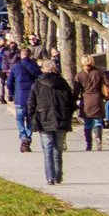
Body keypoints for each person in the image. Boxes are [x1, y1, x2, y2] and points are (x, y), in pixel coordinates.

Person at [29, 56, 78, 185]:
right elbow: (72, 103)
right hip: (61, 118)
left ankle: (50, 177)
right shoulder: (63, 84)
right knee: (58, 149)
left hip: (43, 118)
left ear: (43, 69)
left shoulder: (37, 84)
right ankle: (58, 175)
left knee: (47, 149)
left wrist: (32, 118)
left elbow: (31, 104)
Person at [8, 46, 42, 153]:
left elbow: (9, 83)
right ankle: (27, 136)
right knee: (30, 119)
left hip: (20, 96)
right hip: (32, 97)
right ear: (30, 55)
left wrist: (12, 94)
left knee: (19, 118)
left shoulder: (15, 67)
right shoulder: (34, 66)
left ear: (21, 55)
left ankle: (23, 136)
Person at [74, 54, 109, 151]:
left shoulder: (79, 75)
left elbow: (76, 90)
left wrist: (74, 100)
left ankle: (88, 144)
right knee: (98, 121)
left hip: (86, 99)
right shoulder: (99, 72)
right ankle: (98, 138)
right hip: (97, 98)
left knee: (87, 123)